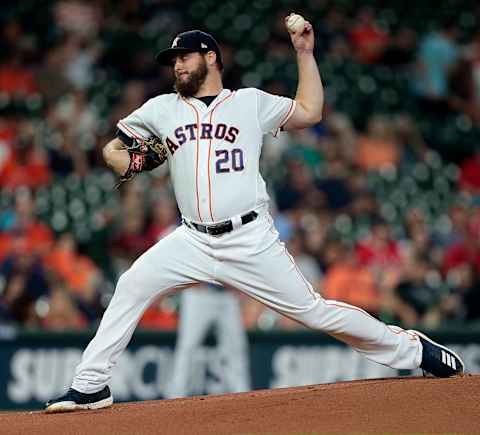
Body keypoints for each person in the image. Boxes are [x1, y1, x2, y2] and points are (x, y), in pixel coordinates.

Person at [46, 14, 465, 413]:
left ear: (211, 57)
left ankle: (414, 350)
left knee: (314, 311)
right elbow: (112, 148)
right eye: (173, 60)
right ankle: (90, 384)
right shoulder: (161, 108)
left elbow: (310, 111)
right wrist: (125, 161)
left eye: (184, 56)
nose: (177, 66)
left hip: (248, 238)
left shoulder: (249, 103)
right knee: (131, 285)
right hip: (191, 238)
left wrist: (304, 53)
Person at [165, 284, 250, 398]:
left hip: (227, 295)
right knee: (188, 347)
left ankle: (243, 396)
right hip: (199, 294)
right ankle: (176, 395)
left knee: (236, 348)